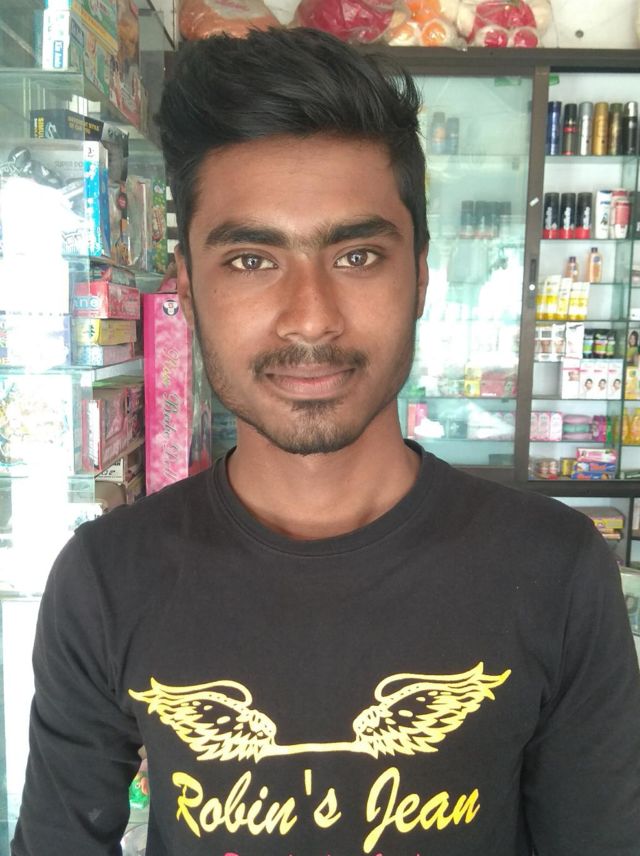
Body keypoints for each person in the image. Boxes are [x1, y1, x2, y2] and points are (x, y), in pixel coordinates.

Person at [12, 28, 640, 856]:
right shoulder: (106, 579)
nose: (310, 318)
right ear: (188, 290)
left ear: (421, 275)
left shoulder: (556, 570)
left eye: (357, 255)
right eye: (250, 260)